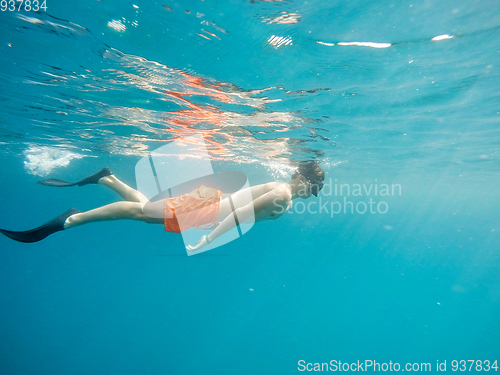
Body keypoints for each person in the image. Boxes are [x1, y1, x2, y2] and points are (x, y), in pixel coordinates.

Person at [0, 162, 325, 251]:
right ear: (303, 178)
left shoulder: (282, 190)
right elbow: (241, 216)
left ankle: (107, 179)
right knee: (141, 214)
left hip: (206, 204)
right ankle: (72, 220)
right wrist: (209, 239)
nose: (314, 192)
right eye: (316, 186)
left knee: (148, 212)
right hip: (205, 210)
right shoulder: (283, 195)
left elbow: (241, 207)